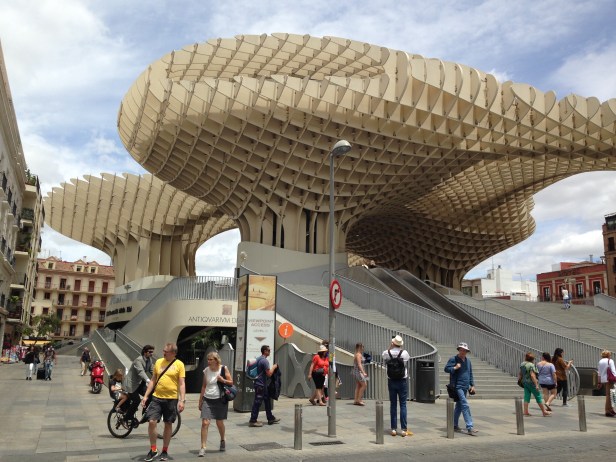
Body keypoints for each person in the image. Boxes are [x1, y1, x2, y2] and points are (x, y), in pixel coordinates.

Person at [141, 343, 186, 462]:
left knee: (168, 423)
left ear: (173, 353)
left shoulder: (179, 364)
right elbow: (153, 380)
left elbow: (182, 383)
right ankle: (153, 449)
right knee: (152, 421)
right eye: (164, 350)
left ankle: (165, 450)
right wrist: (145, 396)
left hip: (171, 399)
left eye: (166, 351)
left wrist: (182, 400)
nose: (164, 353)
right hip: (156, 397)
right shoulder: (159, 362)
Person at [198, 352, 232, 456]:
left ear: (216, 360)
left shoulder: (223, 369)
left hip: (220, 399)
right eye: (208, 359)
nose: (208, 361)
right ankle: (203, 447)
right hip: (207, 399)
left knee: (219, 422)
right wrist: (200, 400)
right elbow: (204, 386)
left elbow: (231, 382)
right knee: (205, 423)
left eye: (210, 359)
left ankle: (222, 440)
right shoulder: (206, 370)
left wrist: (223, 380)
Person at [444, 342, 477, 435]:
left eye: (465, 351)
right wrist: (455, 367)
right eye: (461, 350)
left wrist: (472, 385)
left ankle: (454, 425)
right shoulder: (453, 359)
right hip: (457, 386)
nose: (463, 352)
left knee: (459, 406)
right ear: (459, 350)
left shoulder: (468, 361)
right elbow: (446, 369)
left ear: (467, 351)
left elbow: (470, 373)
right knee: (465, 405)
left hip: (465, 386)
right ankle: (470, 427)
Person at [382, 335, 412, 437]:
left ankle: (394, 429)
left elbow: (383, 357)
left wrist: (390, 347)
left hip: (391, 381)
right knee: (403, 404)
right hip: (402, 380)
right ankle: (403, 429)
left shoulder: (387, 353)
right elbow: (406, 362)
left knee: (393, 404)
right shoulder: (404, 353)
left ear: (393, 343)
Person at [248, 345, 280, 427]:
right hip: (260, 385)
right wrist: (274, 367)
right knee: (257, 402)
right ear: (265, 351)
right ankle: (253, 420)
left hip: (261, 384)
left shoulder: (258, 359)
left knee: (267, 400)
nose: (270, 352)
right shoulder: (264, 361)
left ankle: (270, 418)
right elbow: (269, 374)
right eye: (268, 350)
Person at [519, 352, 551, 417]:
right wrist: (536, 385)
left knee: (526, 396)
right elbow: (532, 375)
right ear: (532, 359)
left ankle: (525, 411)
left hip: (525, 382)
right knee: (538, 396)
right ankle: (544, 411)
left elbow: (520, 373)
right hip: (531, 383)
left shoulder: (522, 364)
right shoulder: (531, 365)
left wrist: (520, 380)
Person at [597, 350, 616, 417]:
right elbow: (613, 371)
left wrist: (599, 382)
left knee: (609, 394)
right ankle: (607, 410)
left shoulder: (600, 361)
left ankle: (611, 409)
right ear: (608, 355)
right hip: (610, 379)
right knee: (610, 394)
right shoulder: (610, 361)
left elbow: (599, 372)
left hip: (603, 379)